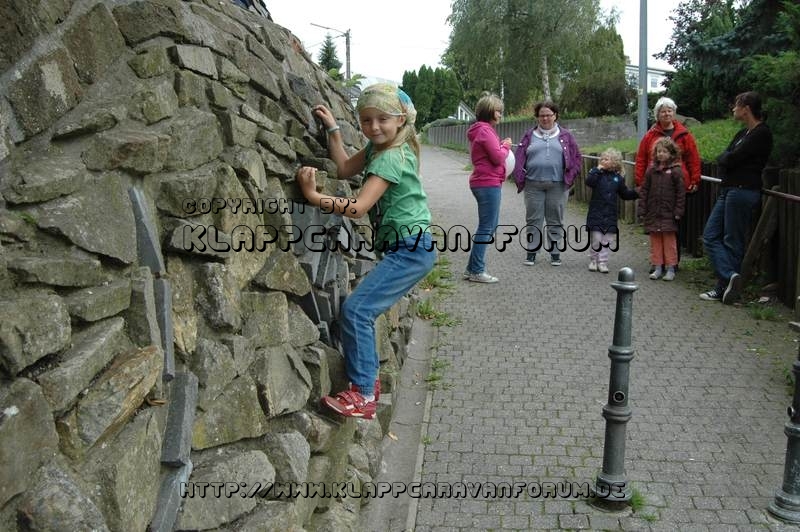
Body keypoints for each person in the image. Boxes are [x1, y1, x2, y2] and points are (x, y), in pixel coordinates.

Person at [296, 84, 436, 418]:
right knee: (361, 309)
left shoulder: (390, 156)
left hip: (412, 249)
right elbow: (344, 168)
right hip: (408, 248)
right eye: (366, 120)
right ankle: (367, 386)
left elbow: (359, 208)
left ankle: (362, 394)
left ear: (400, 120)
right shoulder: (378, 149)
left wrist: (314, 197)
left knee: (357, 310)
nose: (373, 127)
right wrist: (333, 130)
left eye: (382, 119)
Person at [699, 91, 773, 304]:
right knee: (710, 235)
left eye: (736, 105)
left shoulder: (762, 134)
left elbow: (732, 158)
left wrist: (729, 159)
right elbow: (724, 156)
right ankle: (730, 276)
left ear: (746, 108)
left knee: (733, 240)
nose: (733, 109)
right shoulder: (742, 134)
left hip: (743, 191)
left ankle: (725, 289)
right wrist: (728, 159)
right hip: (728, 190)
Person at [513, 101, 582, 266]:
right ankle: (532, 251)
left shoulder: (566, 136)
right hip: (533, 184)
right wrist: (519, 176)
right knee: (533, 219)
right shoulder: (529, 135)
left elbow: (576, 158)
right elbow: (519, 158)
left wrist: (570, 177)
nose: (545, 118)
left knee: (555, 219)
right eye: (542, 115)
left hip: (557, 184)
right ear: (537, 117)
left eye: (548, 115)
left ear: (555, 116)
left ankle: (555, 252)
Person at [463, 93, 513, 283]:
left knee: (489, 226)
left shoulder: (482, 130)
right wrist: (506, 146)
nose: (500, 115)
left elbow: (491, 152)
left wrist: (500, 146)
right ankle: (477, 270)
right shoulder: (485, 131)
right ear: (490, 112)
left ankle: (471, 269)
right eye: (498, 111)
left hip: (484, 182)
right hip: (487, 183)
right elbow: (498, 157)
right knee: (486, 228)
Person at [639, 137, 686, 281]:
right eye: (659, 151)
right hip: (654, 212)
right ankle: (657, 267)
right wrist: (642, 209)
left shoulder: (676, 171)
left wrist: (678, 211)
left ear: (671, 153)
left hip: (669, 213)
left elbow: (680, 193)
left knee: (670, 243)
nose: (661, 154)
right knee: (655, 243)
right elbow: (644, 190)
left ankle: (671, 268)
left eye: (664, 151)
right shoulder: (651, 170)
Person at [585, 148, 639, 274]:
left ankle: (603, 262)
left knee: (606, 239)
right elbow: (589, 182)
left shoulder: (618, 178)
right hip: (596, 212)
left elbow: (624, 194)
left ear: (614, 162)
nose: (603, 160)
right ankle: (593, 260)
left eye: (606, 159)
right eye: (602, 158)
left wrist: (637, 192)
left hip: (610, 213)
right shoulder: (596, 173)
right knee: (597, 238)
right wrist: (597, 169)